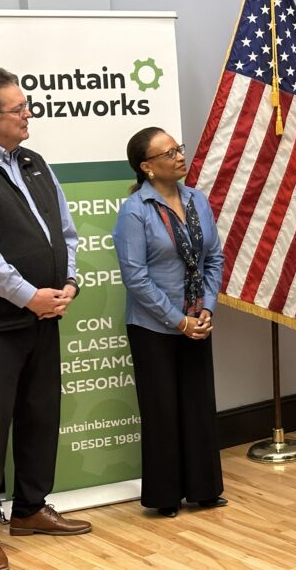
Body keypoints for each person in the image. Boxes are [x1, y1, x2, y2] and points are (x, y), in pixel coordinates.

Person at [0, 67, 91, 570]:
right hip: (1, 322)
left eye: (26, 104)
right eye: (17, 108)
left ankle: (30, 509)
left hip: (45, 317)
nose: (28, 113)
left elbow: (67, 232)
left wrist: (68, 282)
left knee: (39, 416)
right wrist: (27, 294)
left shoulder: (34, 162)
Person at [112, 127, 226, 518]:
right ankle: (165, 497)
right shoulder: (135, 211)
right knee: (162, 410)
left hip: (198, 319)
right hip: (154, 326)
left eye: (179, 148)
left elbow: (214, 258)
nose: (180, 156)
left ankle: (204, 490)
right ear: (146, 167)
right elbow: (135, 277)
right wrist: (178, 321)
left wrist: (206, 306)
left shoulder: (197, 200)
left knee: (198, 403)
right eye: (168, 153)